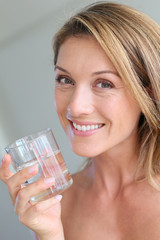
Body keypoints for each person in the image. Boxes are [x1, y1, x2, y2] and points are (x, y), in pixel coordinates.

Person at [0, 2, 160, 239]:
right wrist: (50, 233)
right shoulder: (58, 202)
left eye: (104, 83)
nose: (75, 107)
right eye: (65, 80)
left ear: (147, 91)